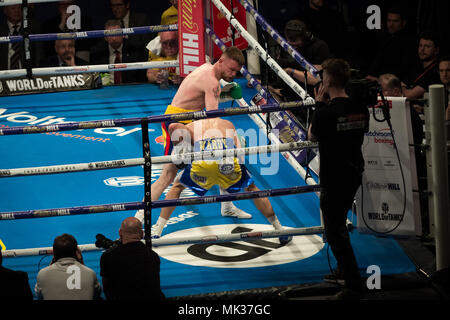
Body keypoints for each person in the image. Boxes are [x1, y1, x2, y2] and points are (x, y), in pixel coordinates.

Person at [136, 46, 251, 223]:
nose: (234, 74)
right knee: (168, 175)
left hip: (187, 120)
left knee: (226, 154)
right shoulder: (213, 83)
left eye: (237, 71)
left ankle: (227, 206)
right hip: (179, 123)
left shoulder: (206, 68)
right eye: (231, 69)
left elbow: (202, 99)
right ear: (221, 61)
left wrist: (225, 92)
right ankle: (139, 217)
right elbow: (213, 120)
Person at [151, 117, 292, 245]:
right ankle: (279, 229)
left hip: (204, 159)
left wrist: (185, 158)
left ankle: (157, 231)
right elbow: (240, 154)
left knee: (177, 187)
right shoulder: (228, 123)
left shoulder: (191, 126)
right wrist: (239, 174)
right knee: (252, 188)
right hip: (228, 159)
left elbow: (178, 148)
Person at [308, 58, 369, 300]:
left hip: (335, 176)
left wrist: (318, 105)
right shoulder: (360, 107)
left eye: (323, 76)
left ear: (329, 80)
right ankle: (345, 271)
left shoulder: (326, 112)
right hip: (353, 172)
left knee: (335, 231)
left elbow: (311, 135)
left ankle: (354, 286)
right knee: (340, 223)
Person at [100, 217, 165, 300]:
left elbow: (107, 288)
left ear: (120, 233)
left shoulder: (108, 257)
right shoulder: (152, 256)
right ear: (142, 234)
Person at [35, 233, 102, 300]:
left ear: (54, 254)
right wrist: (81, 261)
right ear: (77, 252)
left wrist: (51, 265)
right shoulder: (90, 273)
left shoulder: (42, 274)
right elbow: (96, 293)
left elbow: (39, 295)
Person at [366, 7, 417, 82]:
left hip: (394, 85)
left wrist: (379, 80)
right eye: (389, 20)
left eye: (395, 21)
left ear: (403, 23)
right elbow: (376, 63)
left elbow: (405, 69)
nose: (391, 25)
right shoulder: (386, 40)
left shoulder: (409, 42)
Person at [90, 19, 147, 85]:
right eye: (110, 34)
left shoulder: (134, 49)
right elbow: (95, 76)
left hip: (129, 87)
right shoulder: (97, 51)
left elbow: (140, 76)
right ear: (105, 37)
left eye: (117, 34)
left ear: (123, 35)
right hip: (106, 89)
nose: (114, 38)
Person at [0, 4, 43, 70]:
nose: (17, 11)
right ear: (5, 11)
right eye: (13, 8)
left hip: (27, 74)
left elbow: (39, 55)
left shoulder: (33, 28)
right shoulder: (1, 29)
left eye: (19, 8)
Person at [402, 32, 441, 101]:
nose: (422, 49)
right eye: (420, 45)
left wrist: (402, 89)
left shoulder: (437, 70)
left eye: (427, 46)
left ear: (436, 50)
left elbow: (410, 95)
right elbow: (400, 84)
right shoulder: (416, 66)